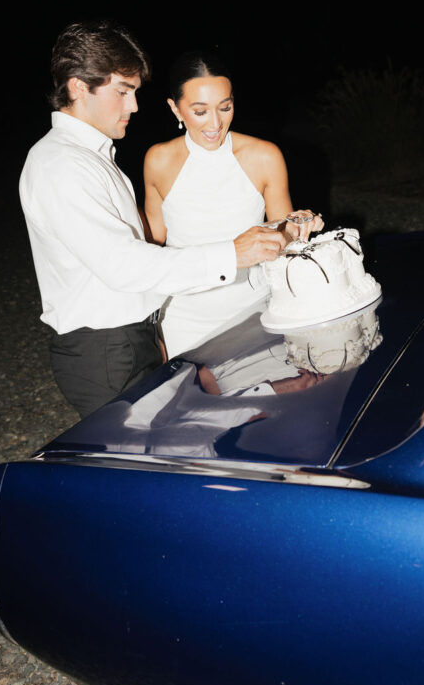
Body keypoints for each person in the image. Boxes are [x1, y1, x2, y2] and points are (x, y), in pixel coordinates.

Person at [19, 22, 285, 418]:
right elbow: (124, 265)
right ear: (78, 87)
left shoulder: (91, 157)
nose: (134, 106)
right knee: (139, 466)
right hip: (106, 352)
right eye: (122, 92)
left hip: (129, 341)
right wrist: (231, 254)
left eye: (135, 93)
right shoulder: (61, 164)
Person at [143, 51, 322, 357]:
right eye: (200, 111)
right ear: (175, 109)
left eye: (225, 107)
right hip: (183, 322)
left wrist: (298, 226)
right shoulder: (158, 160)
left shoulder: (264, 156)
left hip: (255, 315)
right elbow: (152, 247)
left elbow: (283, 239)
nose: (215, 123)